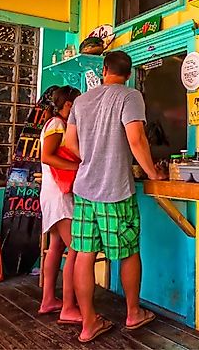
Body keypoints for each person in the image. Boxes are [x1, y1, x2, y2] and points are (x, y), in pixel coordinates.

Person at [64, 50, 165, 343]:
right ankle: (133, 313)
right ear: (129, 74)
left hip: (84, 191)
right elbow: (136, 139)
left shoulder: (81, 101)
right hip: (114, 190)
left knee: (84, 253)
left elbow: (70, 143)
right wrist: (153, 173)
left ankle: (88, 323)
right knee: (128, 251)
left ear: (104, 69)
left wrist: (91, 158)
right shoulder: (130, 96)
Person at [38, 85, 83, 324]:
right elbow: (47, 156)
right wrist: (79, 168)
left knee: (56, 247)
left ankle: (48, 300)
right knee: (76, 248)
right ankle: (68, 306)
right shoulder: (57, 124)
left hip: (54, 193)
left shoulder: (56, 124)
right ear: (68, 105)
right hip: (60, 194)